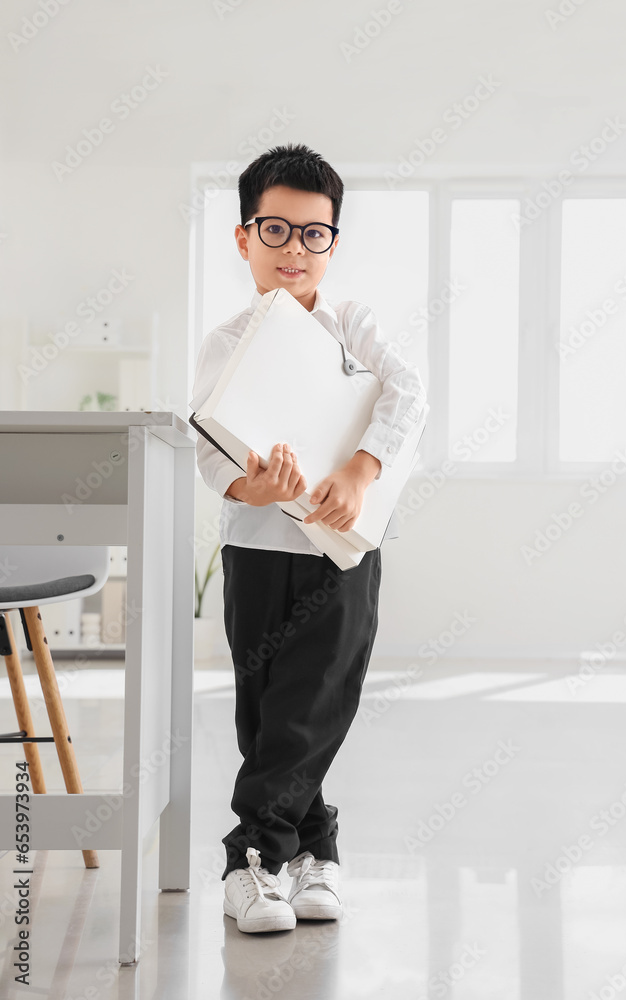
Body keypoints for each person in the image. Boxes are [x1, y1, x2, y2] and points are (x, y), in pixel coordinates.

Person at [190, 141, 429, 934]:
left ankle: (249, 857)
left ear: (332, 241)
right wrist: (266, 487)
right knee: (268, 713)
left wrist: (359, 471)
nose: (295, 248)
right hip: (259, 548)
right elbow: (214, 462)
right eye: (276, 229)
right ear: (243, 237)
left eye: (313, 234)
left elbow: (408, 392)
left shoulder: (351, 323)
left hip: (345, 548)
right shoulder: (224, 344)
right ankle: (315, 850)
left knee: (318, 701)